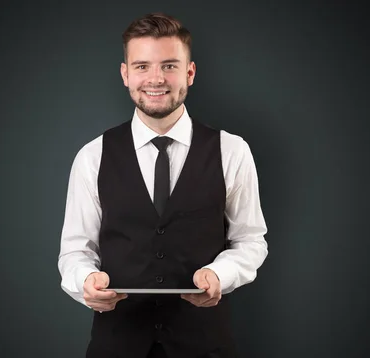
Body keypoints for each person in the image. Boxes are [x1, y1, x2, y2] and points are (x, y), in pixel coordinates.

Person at [57, 12, 268, 358]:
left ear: (190, 73)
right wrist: (84, 282)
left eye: (169, 65)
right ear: (125, 74)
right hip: (116, 346)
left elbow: (250, 240)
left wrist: (219, 274)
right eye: (142, 67)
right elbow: (75, 251)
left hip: (205, 346)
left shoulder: (231, 150)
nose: (155, 79)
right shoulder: (92, 156)